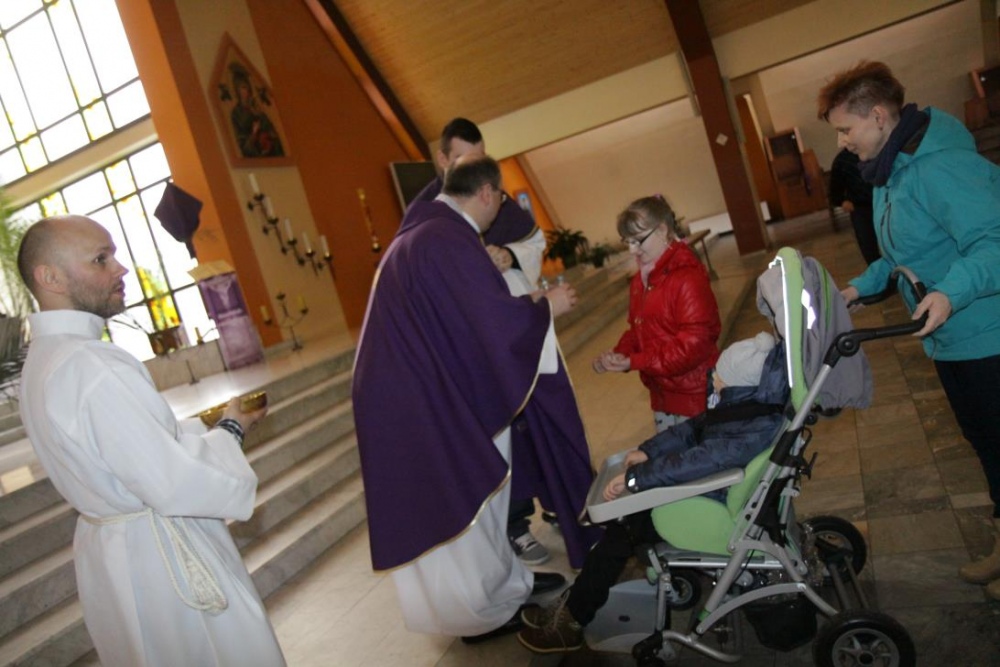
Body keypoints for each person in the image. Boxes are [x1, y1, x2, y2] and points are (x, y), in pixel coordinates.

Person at [16, 216, 285, 666]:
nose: (120, 269)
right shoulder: (91, 364)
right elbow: (169, 479)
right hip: (160, 558)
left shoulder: (43, 360)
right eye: (100, 259)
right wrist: (232, 430)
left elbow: (128, 451)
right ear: (51, 278)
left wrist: (205, 429)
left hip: (114, 553)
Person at [352, 155, 598, 642]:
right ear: (486, 193)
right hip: (420, 400)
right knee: (463, 496)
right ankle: (480, 612)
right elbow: (491, 325)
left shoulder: (425, 233)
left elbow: (465, 319)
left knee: (465, 493)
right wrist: (545, 306)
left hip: (410, 392)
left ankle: (501, 586)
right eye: (500, 199)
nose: (498, 209)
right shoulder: (445, 238)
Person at [818, 61, 1000, 599]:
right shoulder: (891, 171)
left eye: (845, 129)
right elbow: (902, 255)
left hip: (986, 335)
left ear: (878, 116)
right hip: (951, 340)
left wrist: (950, 292)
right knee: (985, 443)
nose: (842, 142)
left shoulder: (939, 166)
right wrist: (856, 289)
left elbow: (993, 241)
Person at [519, 332, 788, 653]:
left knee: (622, 530)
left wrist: (636, 479)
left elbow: (696, 461)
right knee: (621, 529)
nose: (713, 378)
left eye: (720, 376)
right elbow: (692, 429)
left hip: (708, 510)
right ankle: (573, 605)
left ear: (738, 386)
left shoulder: (746, 426)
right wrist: (649, 450)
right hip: (710, 497)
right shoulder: (749, 411)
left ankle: (572, 619)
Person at [412, 117, 569, 567]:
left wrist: (510, 255)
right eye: (465, 159)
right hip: (475, 350)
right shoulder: (428, 214)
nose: (477, 172)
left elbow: (532, 241)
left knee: (538, 422)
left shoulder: (494, 198)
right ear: (443, 160)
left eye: (481, 159)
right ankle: (515, 525)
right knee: (502, 437)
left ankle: (557, 499)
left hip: (515, 334)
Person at [593, 195, 721, 433]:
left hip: (695, 395)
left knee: (695, 454)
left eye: (638, 240)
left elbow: (694, 345)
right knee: (670, 454)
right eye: (627, 241)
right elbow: (638, 330)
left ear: (662, 230)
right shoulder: (642, 280)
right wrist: (620, 354)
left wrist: (636, 361)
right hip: (662, 394)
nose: (632, 250)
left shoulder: (687, 278)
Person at [827, 147, 879, 265]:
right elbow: (835, 191)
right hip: (861, 207)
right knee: (869, 248)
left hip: (884, 200)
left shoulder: (876, 150)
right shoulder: (842, 160)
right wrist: (842, 201)